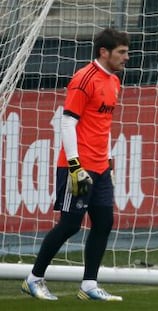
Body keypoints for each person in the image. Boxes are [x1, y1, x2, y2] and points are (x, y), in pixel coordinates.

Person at [21, 28, 130, 301]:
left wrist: (106, 157)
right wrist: (75, 166)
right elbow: (68, 121)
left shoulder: (114, 81)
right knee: (70, 224)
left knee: (104, 221)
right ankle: (33, 279)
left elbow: (102, 125)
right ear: (104, 52)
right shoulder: (84, 79)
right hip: (79, 167)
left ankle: (89, 285)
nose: (126, 57)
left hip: (101, 167)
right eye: (122, 52)